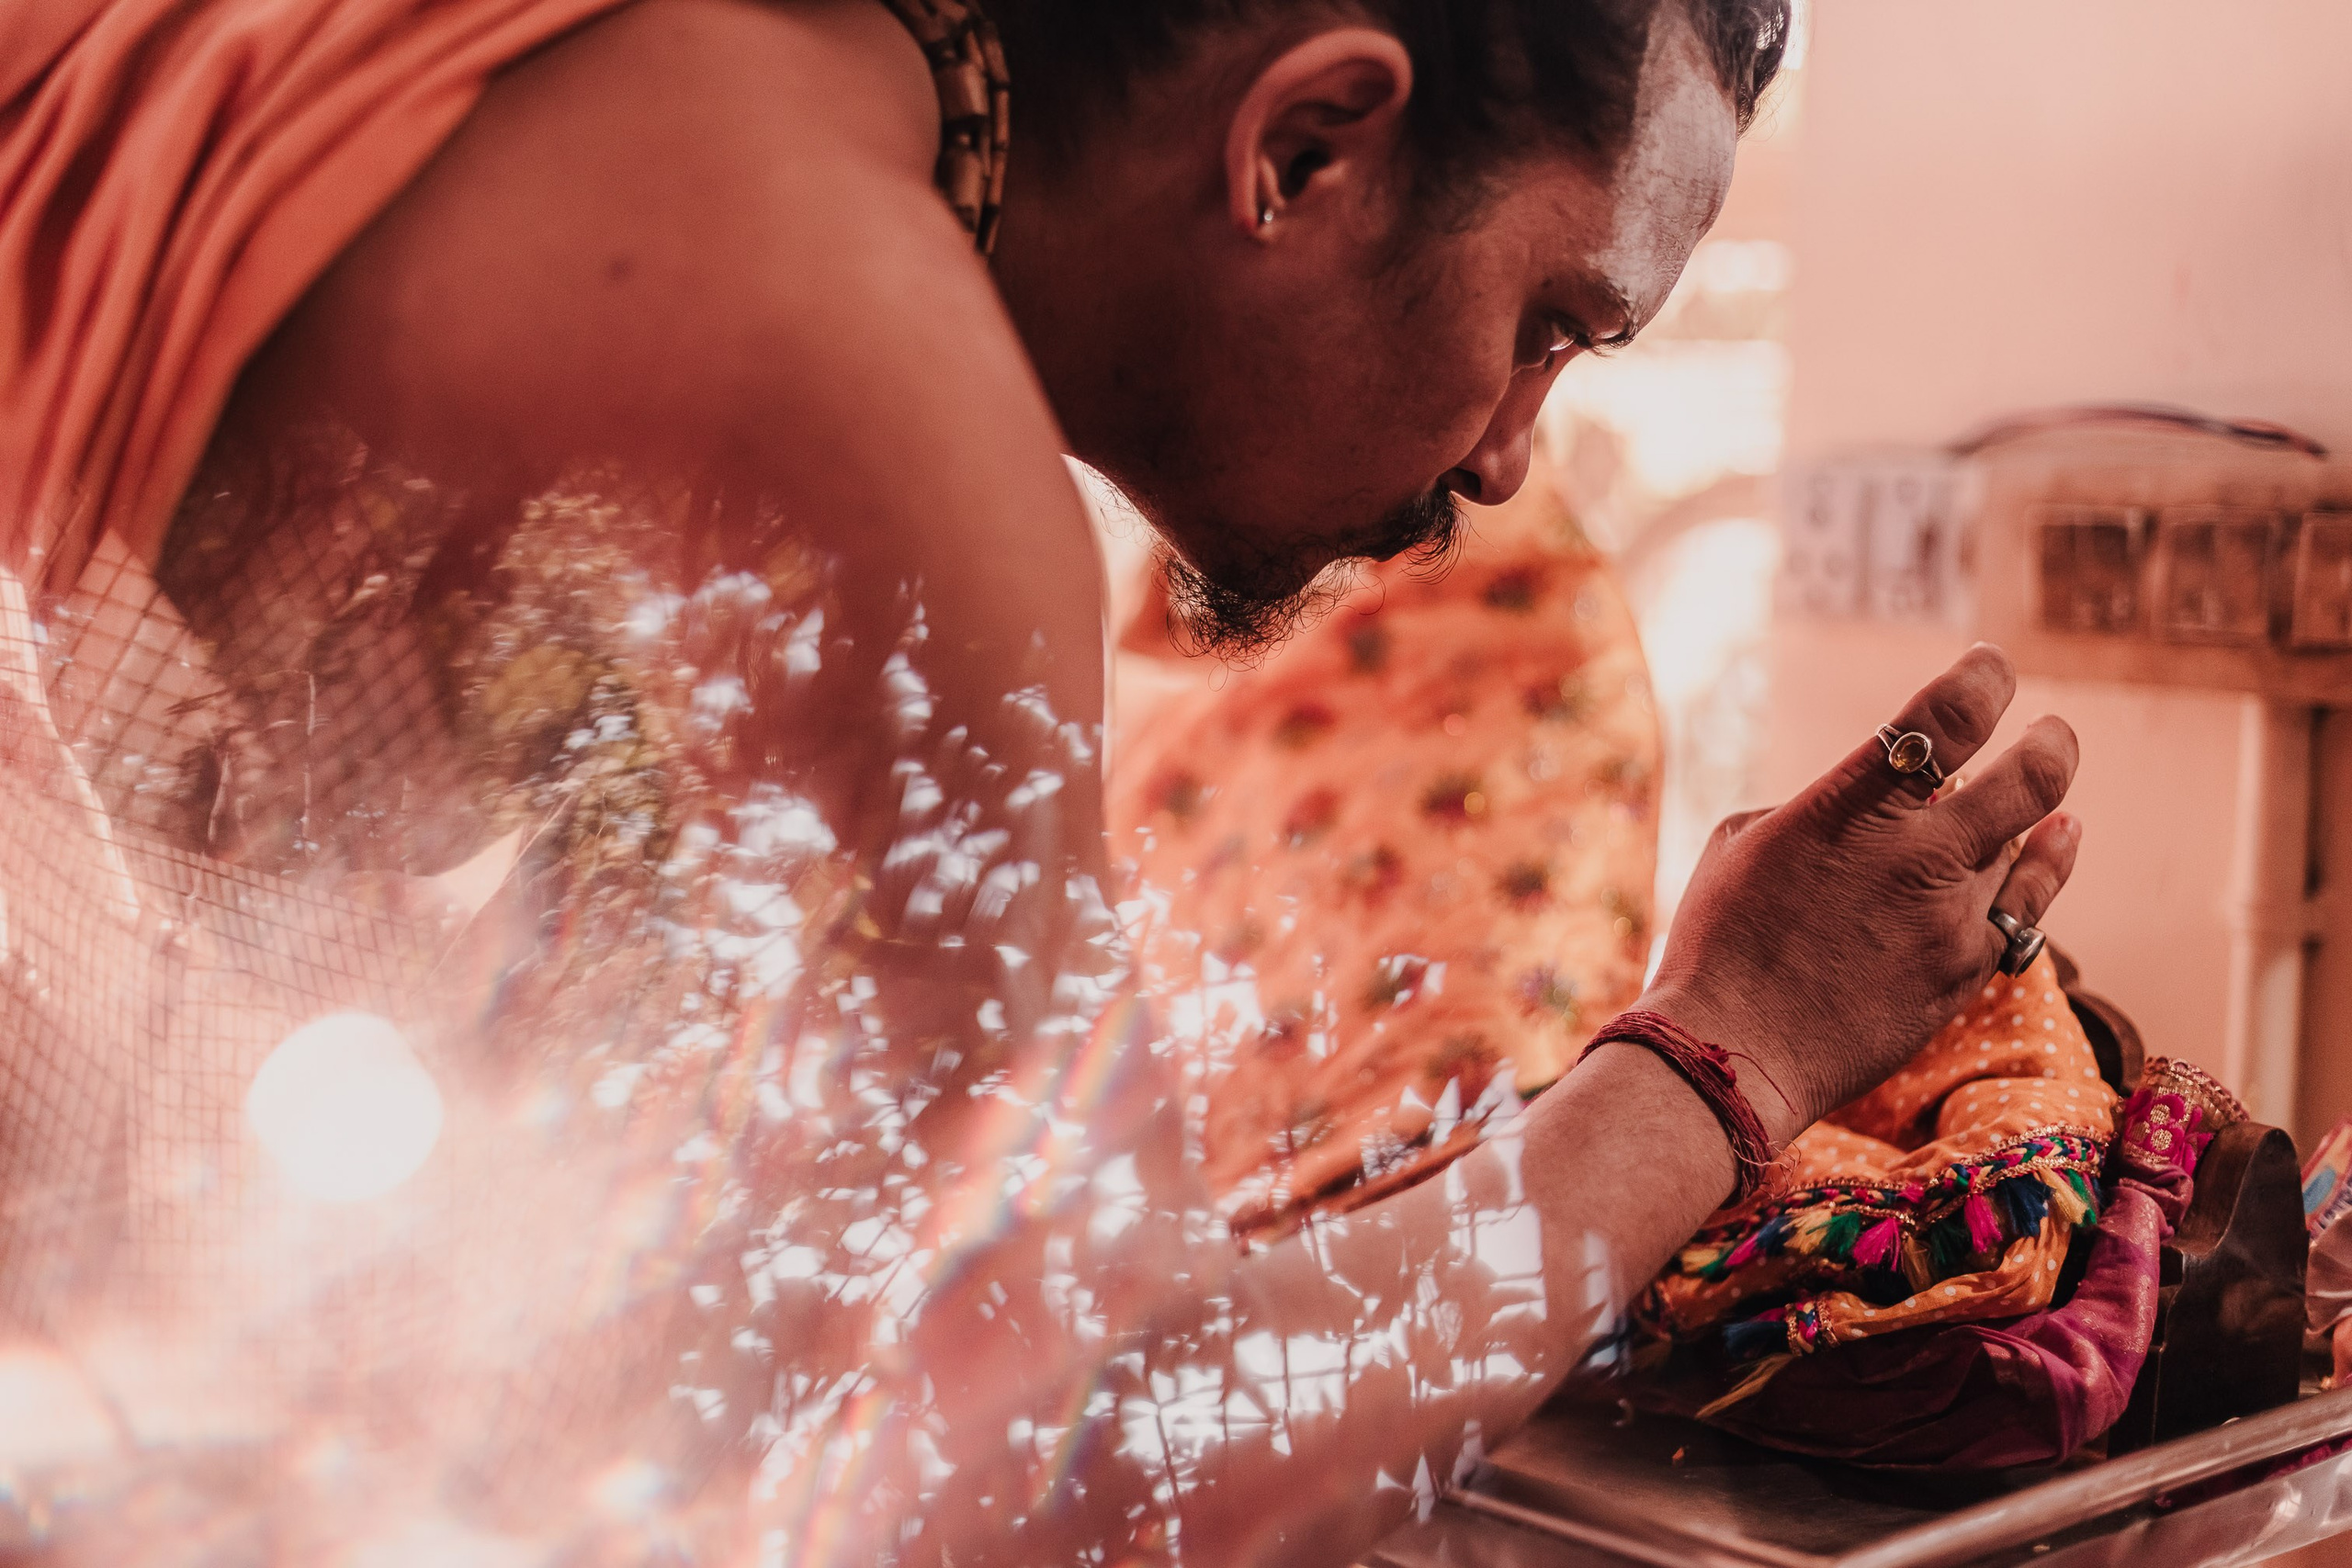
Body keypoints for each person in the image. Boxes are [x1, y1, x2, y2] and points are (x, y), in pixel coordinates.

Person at [0, 1, 2085, 1562]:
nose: (1502, 457)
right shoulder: (836, 338)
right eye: (1549, 321)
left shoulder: (618, 73)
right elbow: (1113, 1460)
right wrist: (1728, 1049)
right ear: (1310, 145)